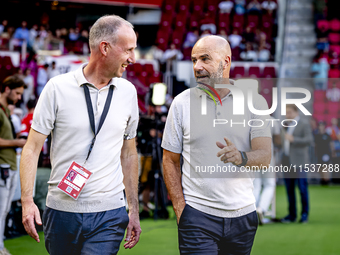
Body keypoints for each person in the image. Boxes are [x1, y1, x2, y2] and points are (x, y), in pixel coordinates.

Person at [20, 15, 141, 255]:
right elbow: (32, 148)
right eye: (128, 50)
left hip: (109, 212)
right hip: (61, 210)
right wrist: (27, 201)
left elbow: (129, 152)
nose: (132, 59)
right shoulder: (56, 87)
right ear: (104, 48)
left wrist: (134, 208)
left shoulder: (128, 92)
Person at [162, 35, 272, 255]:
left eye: (205, 59)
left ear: (226, 61)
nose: (197, 67)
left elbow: (264, 157)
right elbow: (169, 160)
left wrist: (241, 157)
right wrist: (180, 209)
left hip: (243, 217)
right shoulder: (181, 103)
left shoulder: (255, 102)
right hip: (197, 216)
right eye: (194, 60)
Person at [0, 75, 27, 255]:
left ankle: (1, 246)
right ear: (7, 89)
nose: (19, 98)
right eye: (17, 93)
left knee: (5, 211)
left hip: (8, 166)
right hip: (2, 166)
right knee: (1, 210)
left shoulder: (6, 111)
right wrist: (16, 143)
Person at [281, 104, 313, 223]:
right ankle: (292, 215)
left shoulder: (304, 123)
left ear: (296, 112)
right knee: (289, 190)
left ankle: (304, 214)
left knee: (302, 189)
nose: (287, 115)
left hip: (299, 162)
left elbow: (309, 140)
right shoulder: (286, 125)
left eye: (289, 112)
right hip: (287, 161)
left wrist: (294, 139)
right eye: (286, 112)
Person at [253, 116, 281, 224]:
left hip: (253, 156)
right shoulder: (272, 120)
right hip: (267, 156)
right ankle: (262, 209)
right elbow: (278, 140)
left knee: (256, 186)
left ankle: (253, 211)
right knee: (269, 184)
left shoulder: (248, 119)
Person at [314, 121, 334, 185]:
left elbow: (331, 144)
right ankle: (322, 179)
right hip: (320, 153)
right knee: (320, 167)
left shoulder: (327, 135)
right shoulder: (317, 136)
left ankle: (326, 179)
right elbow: (315, 146)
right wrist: (315, 153)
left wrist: (332, 152)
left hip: (326, 153)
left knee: (326, 167)